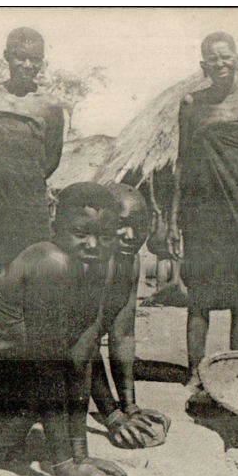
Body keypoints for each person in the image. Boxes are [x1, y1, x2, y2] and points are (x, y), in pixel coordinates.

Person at [0, 182, 128, 476]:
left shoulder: (102, 265)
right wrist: (65, 467)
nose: (93, 244)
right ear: (56, 225)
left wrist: (81, 455)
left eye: (105, 236)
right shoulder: (49, 262)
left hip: (11, 376)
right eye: (80, 232)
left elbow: (81, 357)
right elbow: (48, 366)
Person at [167, 32, 238, 385]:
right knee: (200, 294)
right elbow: (181, 163)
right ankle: (195, 372)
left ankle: (236, 370)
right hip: (203, 212)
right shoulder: (190, 104)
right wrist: (172, 218)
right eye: (213, 58)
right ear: (203, 65)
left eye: (226, 57)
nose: (221, 63)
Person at [0, 27, 65, 286]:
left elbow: (51, 159)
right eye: (20, 57)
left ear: (42, 61)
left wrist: (21, 182)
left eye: (35, 59)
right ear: (7, 56)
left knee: (26, 270)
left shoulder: (50, 106)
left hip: (24, 203)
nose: (28, 65)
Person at [89, 184, 171, 448]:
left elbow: (122, 336)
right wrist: (112, 415)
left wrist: (131, 407)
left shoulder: (130, 262)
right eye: (121, 224)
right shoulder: (89, 261)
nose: (131, 235)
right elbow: (82, 343)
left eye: (139, 225)